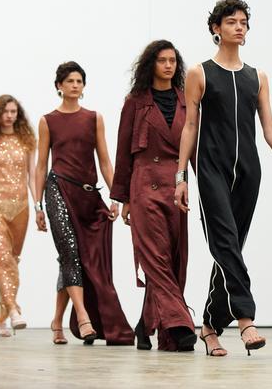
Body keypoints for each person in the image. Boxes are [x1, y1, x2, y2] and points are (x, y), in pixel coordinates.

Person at [174, 0, 272, 357]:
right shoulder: (199, 72)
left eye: (243, 22)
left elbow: (269, 126)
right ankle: (245, 318)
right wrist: (182, 176)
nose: (239, 27)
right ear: (216, 28)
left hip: (248, 173)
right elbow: (190, 125)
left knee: (230, 249)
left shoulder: (258, 77)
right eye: (231, 22)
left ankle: (210, 324)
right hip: (211, 170)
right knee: (224, 243)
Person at [34, 62, 134, 346]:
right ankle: (83, 317)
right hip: (58, 190)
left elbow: (104, 160)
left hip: (88, 196)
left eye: (79, 81)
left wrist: (117, 196)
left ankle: (56, 322)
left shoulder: (93, 118)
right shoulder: (47, 120)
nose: (75, 85)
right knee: (70, 252)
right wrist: (37, 205)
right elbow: (41, 165)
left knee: (77, 258)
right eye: (69, 81)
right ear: (59, 86)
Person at [111, 40, 196, 352]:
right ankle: (181, 323)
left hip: (177, 186)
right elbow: (122, 151)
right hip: (145, 183)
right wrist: (124, 199)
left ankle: (147, 326)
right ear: (151, 65)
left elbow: (195, 147)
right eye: (162, 60)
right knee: (155, 258)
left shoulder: (187, 101)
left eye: (173, 60)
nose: (169, 65)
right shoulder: (135, 102)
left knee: (174, 259)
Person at [0, 95, 36, 337]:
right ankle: (13, 310)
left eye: (13, 111)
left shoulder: (27, 140)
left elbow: (32, 176)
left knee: (13, 260)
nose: (10, 115)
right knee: (2, 259)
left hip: (20, 206)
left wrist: (39, 205)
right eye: (5, 111)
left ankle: (2, 312)